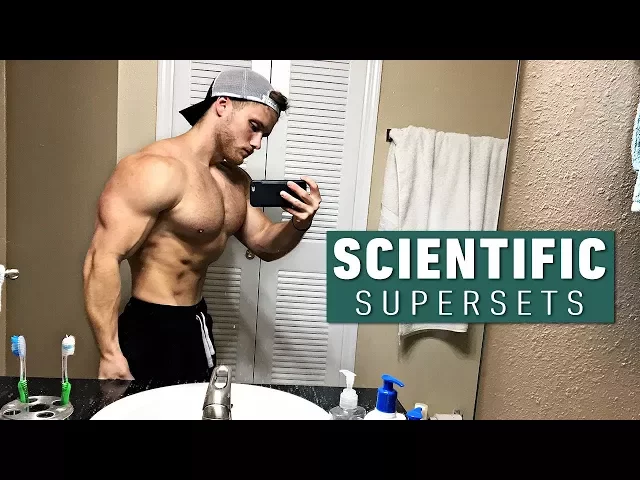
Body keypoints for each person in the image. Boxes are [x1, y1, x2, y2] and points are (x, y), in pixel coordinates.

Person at [83, 69, 322, 383]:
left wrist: (300, 223)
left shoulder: (235, 181)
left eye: (264, 135)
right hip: (150, 326)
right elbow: (101, 258)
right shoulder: (155, 169)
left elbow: (265, 242)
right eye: (254, 127)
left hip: (196, 322)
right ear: (222, 105)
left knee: (205, 407)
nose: (257, 143)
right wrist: (109, 353)